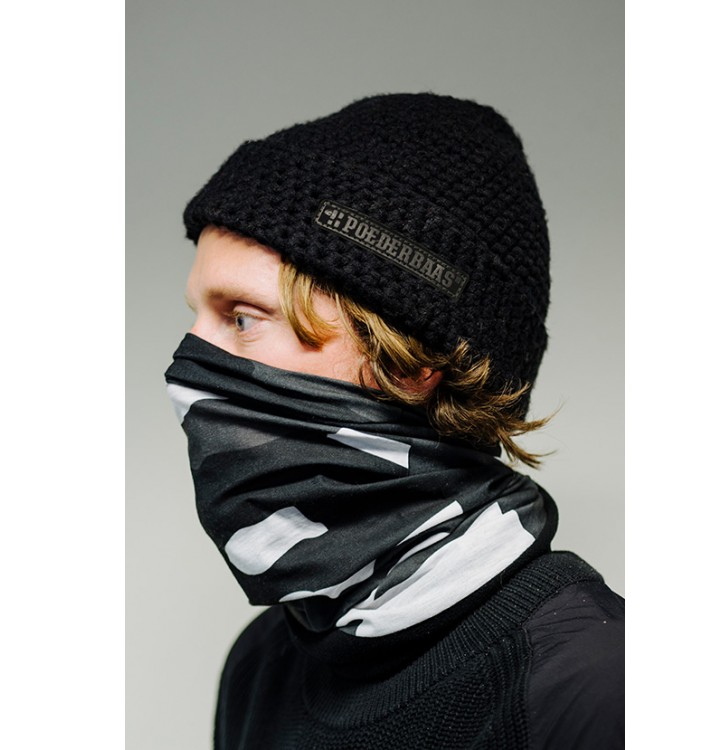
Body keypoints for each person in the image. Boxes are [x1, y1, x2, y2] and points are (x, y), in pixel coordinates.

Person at [165, 93, 624, 749]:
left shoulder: (596, 685)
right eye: (197, 317)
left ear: (410, 361)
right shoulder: (260, 666)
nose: (187, 363)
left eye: (241, 318)